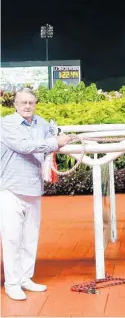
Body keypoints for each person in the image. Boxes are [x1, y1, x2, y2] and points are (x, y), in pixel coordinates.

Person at [0, 88, 71, 300]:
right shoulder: (7, 124)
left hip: (34, 188)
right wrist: (54, 142)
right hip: (10, 188)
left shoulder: (41, 123)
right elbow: (24, 146)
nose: (27, 106)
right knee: (12, 238)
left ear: (36, 103)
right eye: (23, 102)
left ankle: (25, 278)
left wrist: (59, 136)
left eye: (31, 102)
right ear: (15, 104)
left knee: (30, 237)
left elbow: (53, 137)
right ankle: (11, 283)